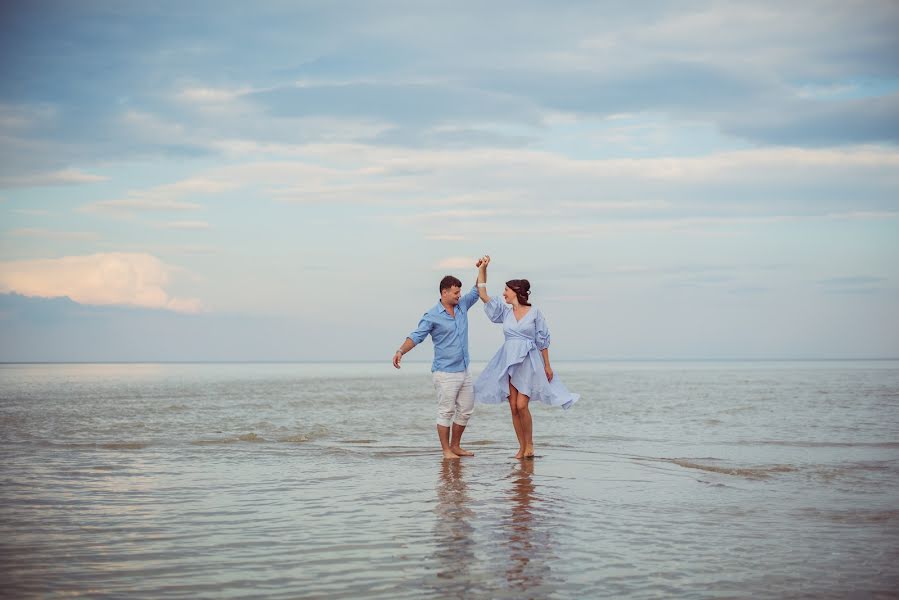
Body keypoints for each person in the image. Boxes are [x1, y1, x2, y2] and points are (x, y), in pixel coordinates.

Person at [473, 256, 579, 459]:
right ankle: (521, 448)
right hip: (508, 360)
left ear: (515, 291)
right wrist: (483, 269)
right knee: (513, 406)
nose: (503, 293)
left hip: (528, 362)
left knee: (522, 405)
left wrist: (547, 366)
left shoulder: (535, 313)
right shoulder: (504, 312)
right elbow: (483, 293)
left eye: (506, 290)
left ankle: (530, 444)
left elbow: (543, 340)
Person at [393, 267, 484, 460]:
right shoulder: (432, 315)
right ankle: (446, 451)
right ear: (444, 292)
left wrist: (483, 268)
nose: (460, 295)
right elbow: (416, 336)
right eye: (456, 292)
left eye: (460, 292)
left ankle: (456, 446)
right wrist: (401, 351)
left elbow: (478, 289)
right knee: (446, 411)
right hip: (445, 372)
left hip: (464, 369)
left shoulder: (462, 306)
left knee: (466, 410)